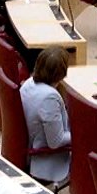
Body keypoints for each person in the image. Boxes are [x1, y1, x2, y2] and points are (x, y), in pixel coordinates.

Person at [21, 49, 73, 186]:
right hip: (45, 158)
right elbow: (56, 141)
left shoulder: (28, 83)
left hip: (30, 144)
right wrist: (81, 134)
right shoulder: (49, 97)